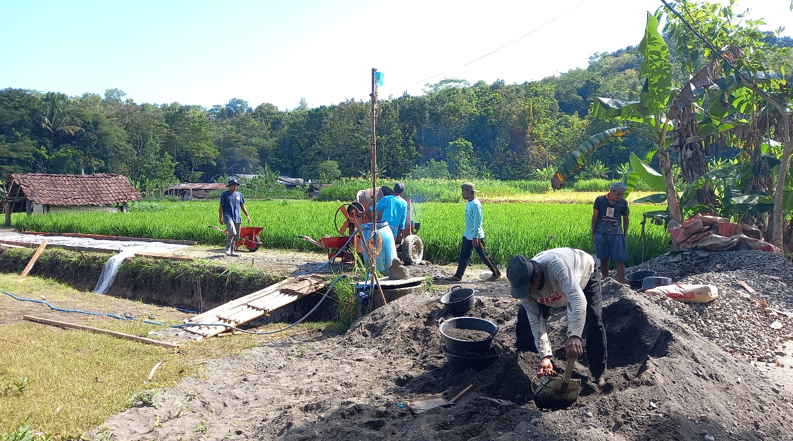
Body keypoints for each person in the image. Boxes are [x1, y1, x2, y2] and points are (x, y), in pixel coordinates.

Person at [506, 248, 607, 386]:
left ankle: (598, 373)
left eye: (528, 288)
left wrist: (574, 335)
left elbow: (577, 299)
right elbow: (535, 320)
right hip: (554, 293)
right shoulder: (526, 289)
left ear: (536, 276)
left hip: (583, 275)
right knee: (524, 315)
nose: (526, 292)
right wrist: (545, 355)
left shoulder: (557, 268)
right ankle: (529, 358)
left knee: (594, 318)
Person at [446, 182, 500, 282]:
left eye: (463, 191)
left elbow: (478, 222)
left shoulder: (476, 205)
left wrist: (475, 237)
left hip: (476, 236)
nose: (462, 193)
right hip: (468, 235)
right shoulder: (469, 203)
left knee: (484, 256)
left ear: (469, 191)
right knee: (463, 256)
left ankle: (496, 273)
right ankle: (458, 276)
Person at [591, 182, 630, 284]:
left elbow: (626, 219)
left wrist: (625, 234)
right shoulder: (600, 201)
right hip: (601, 233)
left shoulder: (623, 203)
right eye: (618, 194)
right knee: (603, 259)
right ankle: (605, 280)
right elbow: (595, 216)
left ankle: (622, 282)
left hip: (616, 234)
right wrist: (593, 233)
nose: (620, 196)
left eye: (622, 194)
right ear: (611, 191)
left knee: (619, 260)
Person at [219, 177, 251, 256]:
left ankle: (232, 251)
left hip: (237, 217)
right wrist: (220, 217)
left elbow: (242, 206)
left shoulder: (239, 194)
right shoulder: (225, 194)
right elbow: (221, 207)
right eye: (233, 185)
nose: (235, 187)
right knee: (232, 232)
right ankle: (227, 249)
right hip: (228, 216)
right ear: (229, 186)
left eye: (236, 185)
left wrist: (247, 215)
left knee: (236, 235)